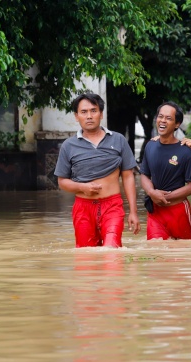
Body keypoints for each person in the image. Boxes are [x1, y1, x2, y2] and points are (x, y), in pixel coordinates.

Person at [54, 93, 141, 248]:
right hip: (83, 209)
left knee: (111, 252)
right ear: (76, 116)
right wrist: (82, 187)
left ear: (101, 114)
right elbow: (62, 182)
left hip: (112, 206)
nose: (89, 116)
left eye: (93, 111)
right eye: (84, 112)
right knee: (86, 260)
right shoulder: (68, 146)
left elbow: (128, 177)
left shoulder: (118, 140)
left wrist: (133, 212)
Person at [140, 101, 191, 240]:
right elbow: (144, 175)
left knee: (183, 254)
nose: (163, 121)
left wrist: (165, 197)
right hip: (155, 212)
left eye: (168, 118)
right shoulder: (150, 146)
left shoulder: (185, 150)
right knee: (155, 251)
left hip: (178, 210)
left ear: (177, 124)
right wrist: (152, 193)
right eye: (160, 116)